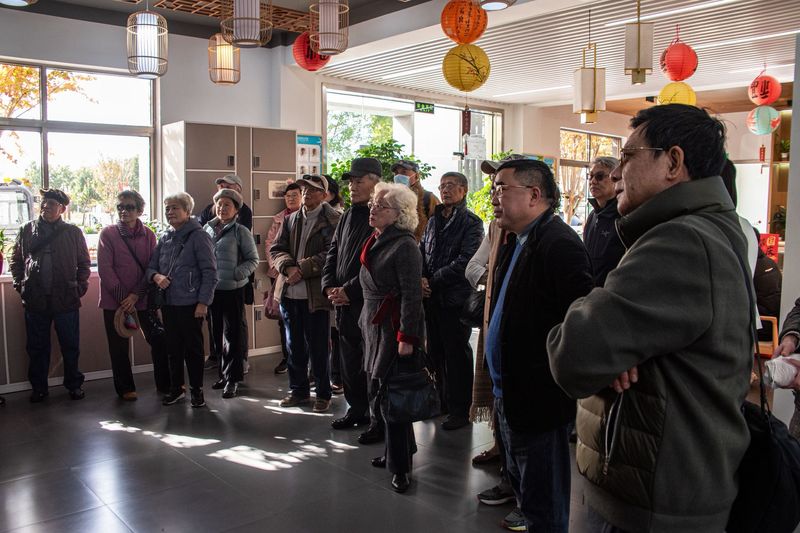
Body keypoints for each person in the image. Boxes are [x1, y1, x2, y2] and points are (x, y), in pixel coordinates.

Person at [548, 104, 753, 533]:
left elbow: (573, 354)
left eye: (627, 156)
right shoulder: (707, 227)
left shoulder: (680, 240)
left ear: (673, 162)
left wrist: (591, 320)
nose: (616, 172)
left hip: (653, 499)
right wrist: (616, 349)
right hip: (668, 482)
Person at [485, 159, 593, 532]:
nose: (494, 196)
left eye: (502, 188)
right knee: (526, 493)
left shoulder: (559, 244)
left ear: (534, 195)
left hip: (537, 398)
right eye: (494, 188)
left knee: (544, 502)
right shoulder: (518, 239)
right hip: (509, 393)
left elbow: (581, 321)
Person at [360, 182, 425, 494]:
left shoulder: (405, 246)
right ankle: (399, 451)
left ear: (400, 214)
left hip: (393, 327)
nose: (373, 209)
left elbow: (412, 295)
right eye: (373, 203)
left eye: (381, 206)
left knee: (392, 397)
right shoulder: (377, 237)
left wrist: (407, 337)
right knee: (383, 391)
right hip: (373, 324)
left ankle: (401, 468)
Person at [10, 189, 91, 403]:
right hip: (35, 299)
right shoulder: (27, 229)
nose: (45, 206)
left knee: (70, 345)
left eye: (51, 203)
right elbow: (16, 260)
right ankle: (39, 388)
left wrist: (79, 287)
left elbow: (84, 263)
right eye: (44, 202)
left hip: (66, 298)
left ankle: (74, 385)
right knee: (36, 347)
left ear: (62, 209)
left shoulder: (73, 232)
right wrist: (20, 284)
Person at [322, 157, 383, 440]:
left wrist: (349, 290)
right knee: (349, 361)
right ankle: (357, 409)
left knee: (372, 364)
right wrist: (329, 286)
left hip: (368, 303)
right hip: (342, 302)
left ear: (375, 182)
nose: (352, 186)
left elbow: (376, 262)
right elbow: (333, 251)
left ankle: (378, 420)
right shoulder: (347, 214)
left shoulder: (382, 215)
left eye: (359, 181)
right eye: (351, 182)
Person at [271, 174, 341, 413]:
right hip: (289, 293)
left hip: (315, 296)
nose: (306, 194)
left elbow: (332, 254)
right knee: (294, 346)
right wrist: (288, 267)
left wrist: (302, 269)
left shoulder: (333, 219)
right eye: (304, 189)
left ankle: (323, 393)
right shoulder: (290, 219)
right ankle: (298, 390)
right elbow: (276, 248)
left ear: (324, 194)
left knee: (319, 348)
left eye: (312, 190)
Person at [420, 171, 484, 430]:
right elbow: (422, 250)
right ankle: (441, 402)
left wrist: (433, 280)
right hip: (431, 298)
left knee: (456, 354)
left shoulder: (472, 222)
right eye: (442, 186)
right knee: (435, 352)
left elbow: (466, 260)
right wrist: (421, 278)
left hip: (455, 298)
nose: (444, 190)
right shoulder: (433, 220)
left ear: (463, 190)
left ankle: (461, 409)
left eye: (450, 185)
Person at [147, 192, 217, 408]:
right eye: (167, 208)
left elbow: (210, 272)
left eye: (175, 207)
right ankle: (177, 389)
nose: (170, 212)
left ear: (187, 211)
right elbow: (151, 267)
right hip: (168, 303)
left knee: (193, 350)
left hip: (191, 304)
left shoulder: (199, 236)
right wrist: (156, 277)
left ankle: (197, 391)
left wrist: (203, 302)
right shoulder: (165, 237)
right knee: (173, 349)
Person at [97, 190, 169, 400]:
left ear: (139, 210)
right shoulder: (108, 234)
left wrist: (136, 295)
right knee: (118, 347)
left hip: (143, 299)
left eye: (129, 207)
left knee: (159, 339)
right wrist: (124, 298)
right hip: (115, 303)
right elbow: (105, 270)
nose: (124, 211)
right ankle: (125, 388)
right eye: (120, 207)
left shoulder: (149, 235)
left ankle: (166, 384)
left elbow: (152, 267)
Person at [204, 188, 259, 399]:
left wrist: (237, 274)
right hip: (212, 291)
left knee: (232, 337)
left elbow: (253, 260)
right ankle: (223, 374)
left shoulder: (240, 231)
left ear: (236, 209)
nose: (222, 208)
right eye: (219, 204)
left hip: (233, 290)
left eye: (227, 204)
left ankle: (233, 380)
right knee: (216, 335)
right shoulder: (207, 229)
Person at [199, 174, 252, 371]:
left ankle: (238, 365)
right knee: (215, 325)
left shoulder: (242, 219)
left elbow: (250, 256)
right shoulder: (208, 220)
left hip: (234, 283)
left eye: (227, 185)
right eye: (220, 185)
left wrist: (238, 273)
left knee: (235, 327)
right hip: (213, 285)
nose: (222, 207)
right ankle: (220, 363)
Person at [264, 182, 301, 374]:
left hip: (301, 273)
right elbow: (270, 244)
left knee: (303, 317)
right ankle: (287, 358)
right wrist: (277, 266)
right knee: (283, 318)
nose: (291, 199)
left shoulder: (307, 217)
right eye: (288, 196)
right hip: (279, 273)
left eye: (295, 195)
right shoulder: (279, 219)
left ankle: (305, 362)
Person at [583, 155, 624, 287]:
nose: (593, 181)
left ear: (615, 178)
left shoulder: (623, 216)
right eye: (591, 176)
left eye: (600, 176)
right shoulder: (592, 216)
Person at [391, 160, 439, 242]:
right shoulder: (388, 198)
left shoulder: (428, 198)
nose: (399, 176)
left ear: (416, 176)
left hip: (419, 246)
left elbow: (439, 226)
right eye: (396, 173)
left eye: (404, 172)